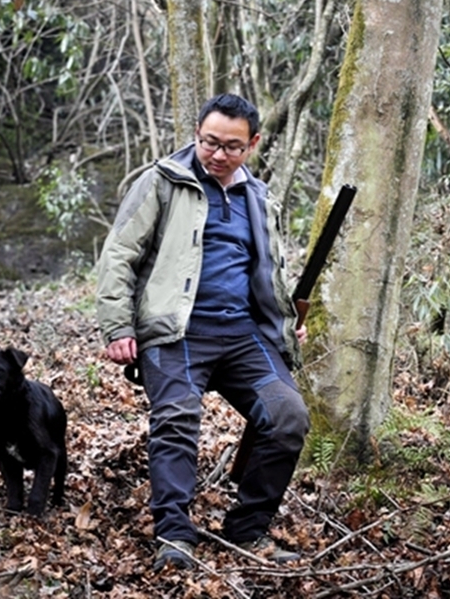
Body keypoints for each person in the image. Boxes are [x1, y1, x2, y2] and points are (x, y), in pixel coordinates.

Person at [96, 94, 310, 570]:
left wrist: (286, 323)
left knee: (288, 418)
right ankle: (174, 537)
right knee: (176, 419)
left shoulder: (259, 198)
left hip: (241, 334)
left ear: (252, 144)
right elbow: (118, 255)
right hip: (175, 332)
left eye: (232, 147)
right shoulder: (162, 182)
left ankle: (247, 532)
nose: (218, 154)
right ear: (196, 132)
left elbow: (268, 272)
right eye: (209, 142)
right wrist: (117, 326)